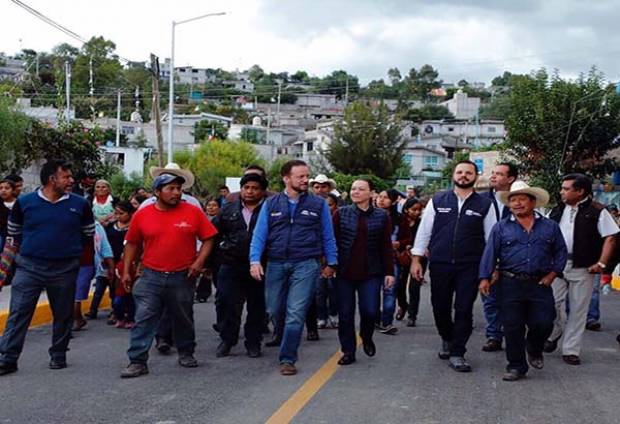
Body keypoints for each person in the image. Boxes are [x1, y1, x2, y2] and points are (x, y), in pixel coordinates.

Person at [0, 159, 95, 375]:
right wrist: (2, 271)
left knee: (63, 314)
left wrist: (70, 254)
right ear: (52, 179)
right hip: (29, 268)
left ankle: (58, 354)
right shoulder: (25, 203)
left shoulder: (80, 204)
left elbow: (88, 234)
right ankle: (7, 359)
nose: (71, 180)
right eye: (66, 177)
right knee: (18, 313)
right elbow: (13, 236)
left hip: (64, 269)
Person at [120, 173, 217, 378]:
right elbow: (132, 244)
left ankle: (186, 352)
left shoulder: (192, 212)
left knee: (183, 317)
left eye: (179, 189)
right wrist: (127, 270)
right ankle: (137, 361)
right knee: (144, 318)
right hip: (150, 276)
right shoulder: (143, 214)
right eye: (170, 189)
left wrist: (199, 262)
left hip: (182, 276)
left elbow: (209, 238)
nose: (176, 193)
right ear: (157, 192)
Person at [250, 160, 337, 376]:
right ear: (286, 178)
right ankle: (281, 335)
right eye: (300, 176)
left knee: (295, 313)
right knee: (273, 309)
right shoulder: (271, 204)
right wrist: (254, 260)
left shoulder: (318, 205)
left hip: (306, 263)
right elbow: (259, 234)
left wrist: (332, 262)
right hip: (276, 263)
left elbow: (328, 235)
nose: (305, 180)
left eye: (307, 176)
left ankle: (288, 358)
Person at [410, 160, 496, 373]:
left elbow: (492, 239)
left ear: (475, 176)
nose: (463, 176)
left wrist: (492, 268)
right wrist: (416, 259)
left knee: (464, 308)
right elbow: (424, 231)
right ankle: (447, 338)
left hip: (470, 265)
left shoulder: (485, 204)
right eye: (460, 172)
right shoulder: (438, 200)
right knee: (440, 306)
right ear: (453, 175)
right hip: (440, 263)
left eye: (468, 172)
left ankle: (458, 352)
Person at [479, 181, 567, 381]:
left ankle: (534, 348)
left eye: (521, 199)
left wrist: (553, 274)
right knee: (512, 326)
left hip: (540, 283)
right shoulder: (501, 227)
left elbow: (560, 251)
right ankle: (516, 366)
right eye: (513, 200)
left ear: (533, 202)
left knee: (544, 322)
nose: (517, 203)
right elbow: (490, 253)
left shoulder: (550, 226)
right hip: (510, 283)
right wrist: (485, 277)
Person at [544, 173, 619, 365]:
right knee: (549, 305)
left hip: (584, 267)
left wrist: (601, 263)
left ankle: (571, 350)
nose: (562, 192)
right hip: (556, 266)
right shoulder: (557, 209)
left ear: (580, 191)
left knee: (578, 309)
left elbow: (610, 237)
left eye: (566, 188)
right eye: (562, 188)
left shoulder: (597, 211)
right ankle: (554, 332)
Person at [333, 179, 394, 365]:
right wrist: (329, 265)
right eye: (353, 189)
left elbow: (386, 246)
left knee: (369, 310)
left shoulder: (382, 216)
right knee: (345, 314)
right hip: (345, 272)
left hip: (371, 272)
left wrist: (389, 272)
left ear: (371, 193)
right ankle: (348, 351)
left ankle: (366, 336)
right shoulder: (340, 213)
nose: (356, 192)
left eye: (361, 189)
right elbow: (332, 242)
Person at [213, 173, 268, 358]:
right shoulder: (227, 210)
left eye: (255, 188)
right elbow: (214, 236)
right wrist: (211, 263)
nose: (250, 192)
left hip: (260, 266)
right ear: (241, 189)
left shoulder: (270, 210)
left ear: (262, 191)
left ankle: (253, 342)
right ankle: (227, 340)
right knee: (226, 303)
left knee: (257, 306)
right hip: (231, 264)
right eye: (246, 188)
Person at [480, 162, 518, 353]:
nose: (493, 176)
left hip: (514, 258)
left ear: (510, 179)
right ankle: (494, 335)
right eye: (492, 173)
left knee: (513, 299)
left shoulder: (520, 201)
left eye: (499, 174)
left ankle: (515, 334)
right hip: (486, 256)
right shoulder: (481, 200)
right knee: (490, 298)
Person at [86, 201, 135, 321]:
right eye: (116, 213)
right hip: (109, 261)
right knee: (102, 285)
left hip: (125, 262)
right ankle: (94, 310)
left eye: (121, 213)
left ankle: (119, 311)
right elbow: (103, 243)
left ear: (129, 214)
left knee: (121, 288)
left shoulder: (134, 228)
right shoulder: (110, 226)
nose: (118, 216)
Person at [375, 189, 402, 335]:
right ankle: (374, 319)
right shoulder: (369, 215)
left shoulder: (399, 219)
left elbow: (408, 238)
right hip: (372, 260)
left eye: (385, 198)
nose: (381, 200)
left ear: (393, 200)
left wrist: (400, 243)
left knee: (389, 291)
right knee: (372, 292)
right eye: (379, 196)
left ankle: (387, 322)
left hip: (392, 261)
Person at [395, 197, 424, 327]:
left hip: (419, 258)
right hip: (402, 257)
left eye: (419, 210)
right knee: (399, 286)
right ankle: (403, 305)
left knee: (414, 286)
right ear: (406, 209)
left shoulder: (422, 223)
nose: (416, 212)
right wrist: (404, 245)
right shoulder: (400, 222)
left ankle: (412, 315)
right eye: (414, 209)